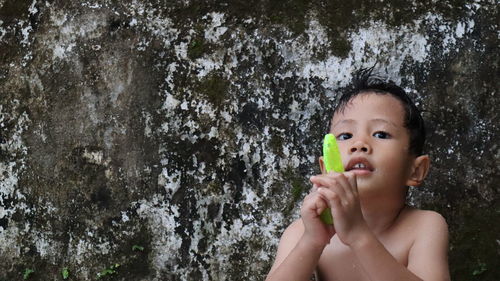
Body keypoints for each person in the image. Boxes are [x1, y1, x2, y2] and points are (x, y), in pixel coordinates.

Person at [266, 69, 450, 281]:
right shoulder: (303, 232)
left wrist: (358, 235)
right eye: (345, 135)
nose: (359, 144)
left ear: (415, 170)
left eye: (381, 134)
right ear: (325, 170)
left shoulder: (424, 227)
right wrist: (312, 242)